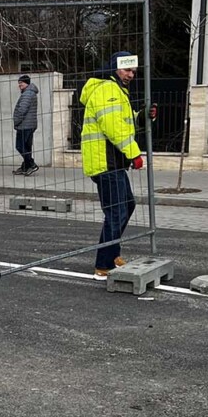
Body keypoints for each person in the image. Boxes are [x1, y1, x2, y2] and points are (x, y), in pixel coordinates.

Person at [80, 51, 144, 277]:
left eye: (134, 71)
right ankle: (103, 264)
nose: (131, 75)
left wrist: (141, 117)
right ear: (115, 68)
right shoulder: (107, 89)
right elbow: (113, 128)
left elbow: (122, 122)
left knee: (126, 206)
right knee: (116, 212)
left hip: (113, 162)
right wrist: (134, 153)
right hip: (105, 162)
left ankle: (112, 252)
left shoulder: (116, 90)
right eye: (127, 70)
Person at [12, 74, 39, 176]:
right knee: (27, 147)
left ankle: (31, 164)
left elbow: (22, 110)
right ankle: (25, 167)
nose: (19, 85)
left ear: (26, 83)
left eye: (21, 83)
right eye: (19, 83)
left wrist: (16, 121)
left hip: (25, 125)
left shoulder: (27, 94)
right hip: (30, 124)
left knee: (19, 146)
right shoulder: (30, 93)